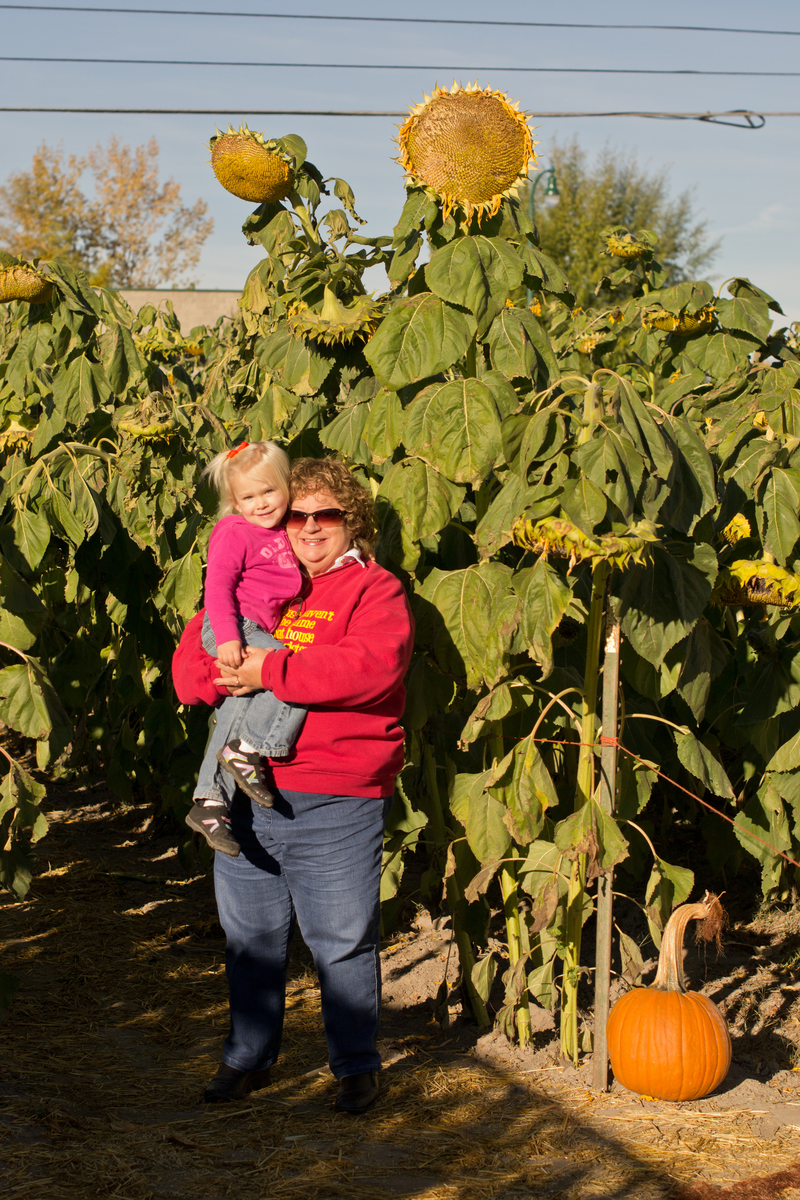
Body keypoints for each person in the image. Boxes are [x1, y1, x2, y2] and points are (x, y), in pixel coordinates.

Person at [172, 456, 414, 1113]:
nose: (309, 528)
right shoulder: (253, 586)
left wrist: (269, 671)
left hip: (335, 796)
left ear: (350, 521)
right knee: (250, 941)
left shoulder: (374, 592)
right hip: (242, 800)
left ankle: (355, 1069)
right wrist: (220, 674)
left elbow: (367, 668)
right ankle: (247, 1060)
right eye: (295, 515)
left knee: (341, 941)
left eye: (325, 515)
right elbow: (190, 667)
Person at [185, 440, 307, 859]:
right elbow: (216, 587)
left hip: (250, 627)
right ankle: (249, 747)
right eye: (248, 497)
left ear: (286, 487)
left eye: (269, 491)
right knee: (294, 674)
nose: (261, 503)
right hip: (233, 625)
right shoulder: (234, 531)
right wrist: (229, 637)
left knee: (240, 699)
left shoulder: (283, 531)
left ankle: (210, 802)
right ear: (234, 503)